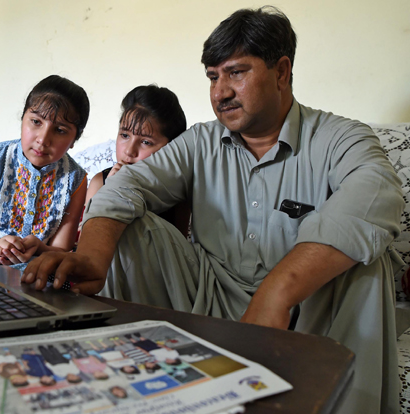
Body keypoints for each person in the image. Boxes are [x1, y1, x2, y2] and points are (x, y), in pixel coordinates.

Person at [23, 7, 404, 414]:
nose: (220, 92)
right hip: (206, 299)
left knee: (368, 262)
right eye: (212, 77)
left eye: (236, 73)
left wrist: (278, 291)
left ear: (281, 71)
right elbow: (128, 184)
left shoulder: (340, 137)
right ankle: (137, 394)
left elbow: (376, 198)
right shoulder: (201, 140)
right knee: (133, 227)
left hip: (306, 309)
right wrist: (91, 255)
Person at [0, 75, 90, 267]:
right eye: (36, 122)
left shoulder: (76, 179)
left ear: (74, 140)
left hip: (33, 272)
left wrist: (39, 247)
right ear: (23, 119)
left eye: (60, 130)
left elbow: (61, 250)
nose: (43, 139)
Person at [85, 85, 190, 236]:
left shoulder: (178, 195)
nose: (129, 151)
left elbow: (177, 248)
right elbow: (88, 241)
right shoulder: (100, 183)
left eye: (146, 142)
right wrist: (111, 192)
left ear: (170, 149)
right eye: (125, 135)